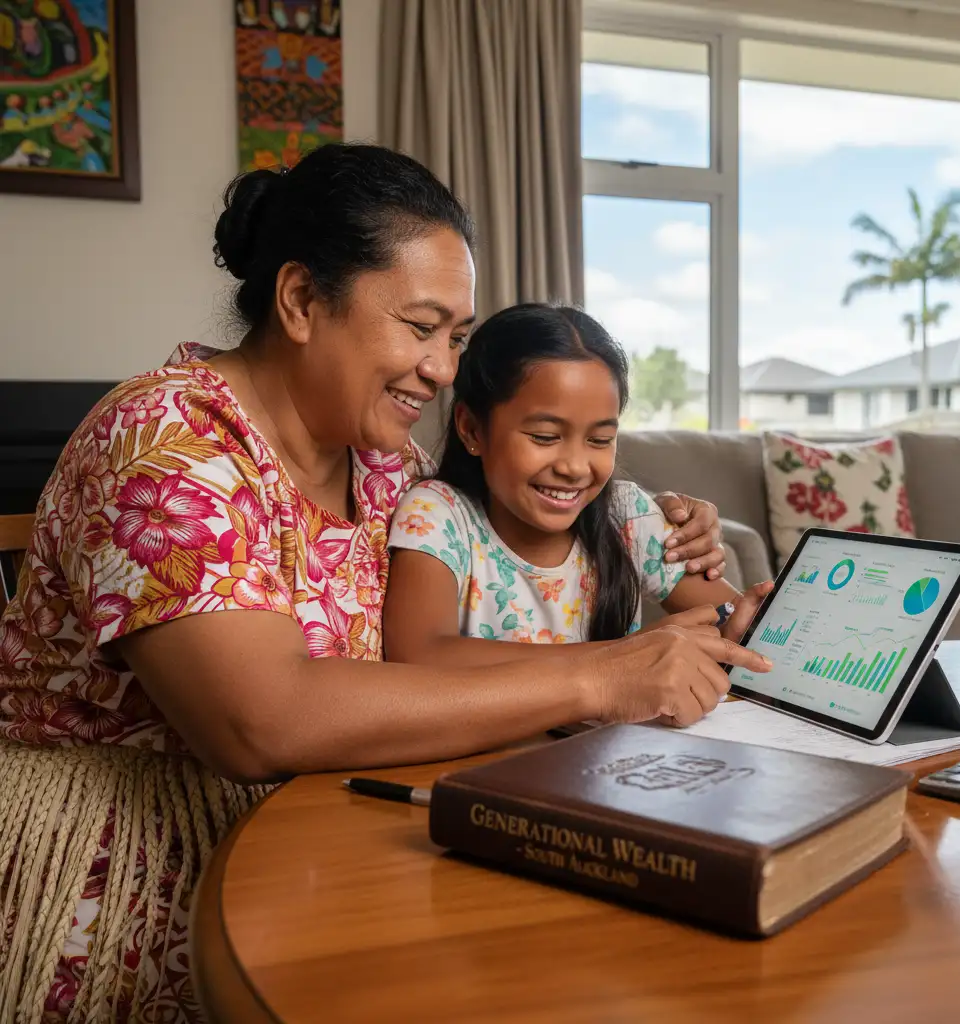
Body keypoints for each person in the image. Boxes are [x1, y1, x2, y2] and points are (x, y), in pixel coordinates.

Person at [0, 142, 768, 1021]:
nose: (443, 369)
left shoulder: (388, 467)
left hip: (328, 829)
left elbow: (511, 535)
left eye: (457, 337)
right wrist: (604, 672)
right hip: (137, 859)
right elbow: (261, 721)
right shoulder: (164, 439)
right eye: (421, 326)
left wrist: (672, 529)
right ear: (299, 300)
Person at [384, 305, 774, 699]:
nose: (574, 467)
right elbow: (420, 655)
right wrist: (619, 660)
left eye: (600, 440)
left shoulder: (627, 516)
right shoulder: (439, 515)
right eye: (544, 436)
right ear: (472, 429)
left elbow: (734, 625)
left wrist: (743, 625)